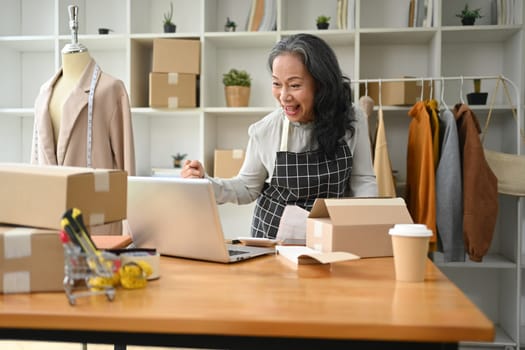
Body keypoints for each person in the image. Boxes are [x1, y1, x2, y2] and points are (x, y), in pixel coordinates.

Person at [182, 33, 377, 238]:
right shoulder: (265, 130)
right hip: (272, 244)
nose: (284, 96)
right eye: (277, 84)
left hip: (328, 239)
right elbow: (247, 188)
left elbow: (363, 180)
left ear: (321, 85)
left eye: (294, 85)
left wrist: (364, 230)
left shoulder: (352, 119)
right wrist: (205, 183)